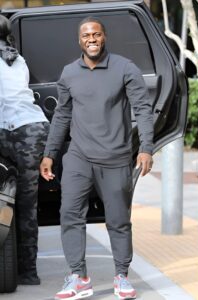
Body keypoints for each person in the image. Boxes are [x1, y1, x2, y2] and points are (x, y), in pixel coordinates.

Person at [40, 17, 153, 300]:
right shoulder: (68, 74)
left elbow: (142, 109)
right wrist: (50, 154)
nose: (92, 39)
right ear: (79, 40)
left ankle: (121, 277)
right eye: (86, 35)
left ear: (104, 37)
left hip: (115, 157)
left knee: (118, 220)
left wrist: (147, 148)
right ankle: (78, 277)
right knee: (69, 214)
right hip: (78, 156)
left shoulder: (125, 68)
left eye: (97, 34)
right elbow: (62, 115)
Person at [0, 15, 49, 284]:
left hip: (7, 129)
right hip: (34, 128)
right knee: (28, 204)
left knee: (4, 199)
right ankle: (29, 272)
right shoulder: (17, 58)